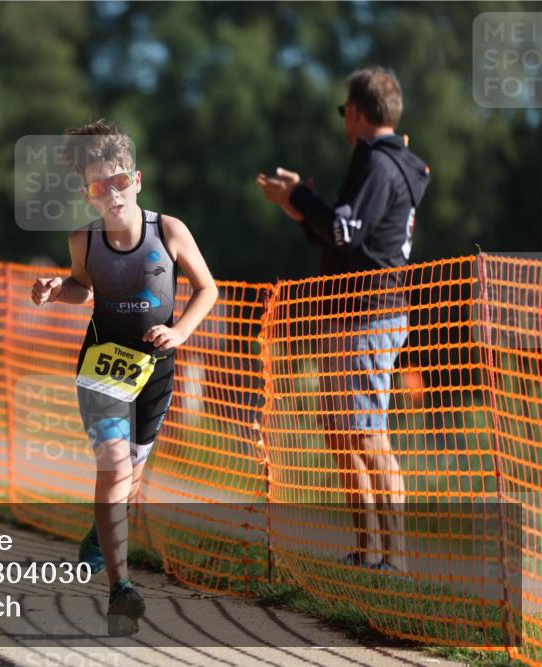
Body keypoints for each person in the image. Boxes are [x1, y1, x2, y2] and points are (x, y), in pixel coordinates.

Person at [32, 120, 217, 634]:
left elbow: (207, 290)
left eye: (118, 182)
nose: (111, 194)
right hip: (102, 366)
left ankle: (99, 533)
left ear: (136, 180)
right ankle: (122, 590)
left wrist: (180, 332)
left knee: (129, 478)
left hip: (155, 368)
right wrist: (55, 290)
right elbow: (84, 289)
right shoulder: (83, 241)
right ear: (86, 194)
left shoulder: (170, 231)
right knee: (113, 465)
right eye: (98, 186)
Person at [256, 67, 430, 572]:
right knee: (340, 431)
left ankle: (394, 558)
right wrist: (299, 206)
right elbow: (345, 233)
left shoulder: (380, 164)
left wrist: (300, 198)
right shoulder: (373, 162)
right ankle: (365, 548)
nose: (343, 120)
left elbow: (343, 228)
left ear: (356, 112)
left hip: (370, 316)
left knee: (368, 434)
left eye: (343, 111)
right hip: (348, 314)